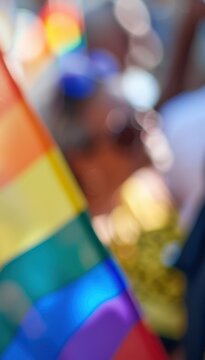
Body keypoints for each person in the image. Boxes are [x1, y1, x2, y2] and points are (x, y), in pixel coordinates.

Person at [43, 52, 186, 353]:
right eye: (125, 132)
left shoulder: (148, 193)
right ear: (83, 162)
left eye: (141, 113)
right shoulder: (76, 256)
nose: (147, 129)